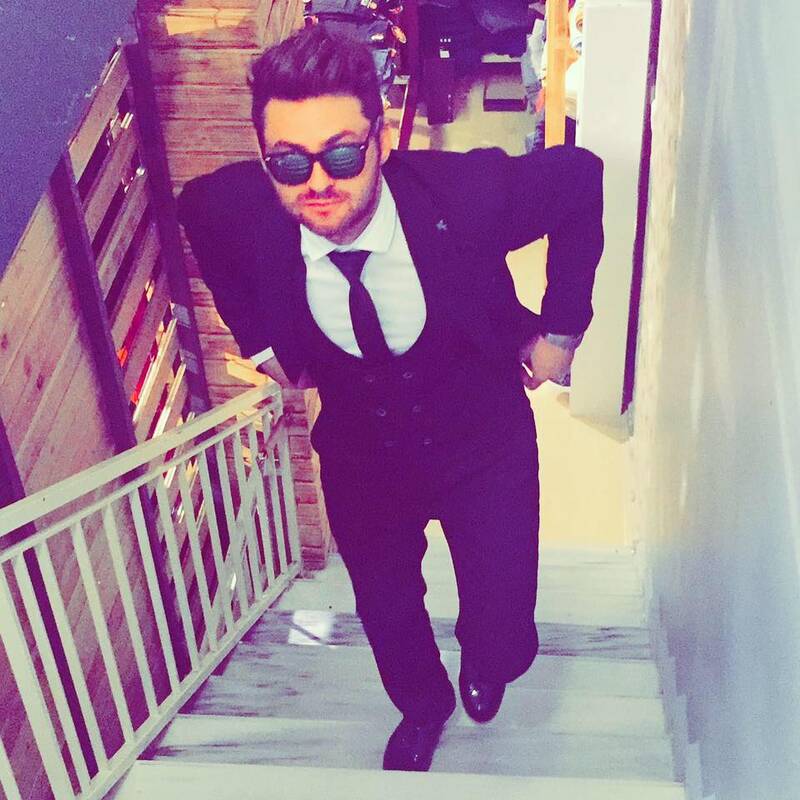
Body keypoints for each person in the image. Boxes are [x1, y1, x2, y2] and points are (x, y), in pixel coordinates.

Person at [177, 25, 603, 773]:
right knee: (386, 610)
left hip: (483, 442)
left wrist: (561, 333)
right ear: (263, 156)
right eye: (289, 161)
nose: (317, 182)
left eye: (342, 154)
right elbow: (196, 214)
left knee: (505, 627)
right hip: (362, 457)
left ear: (378, 138)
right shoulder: (240, 207)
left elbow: (579, 180)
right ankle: (423, 706)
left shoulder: (468, 197)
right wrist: (261, 344)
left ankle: (487, 661)